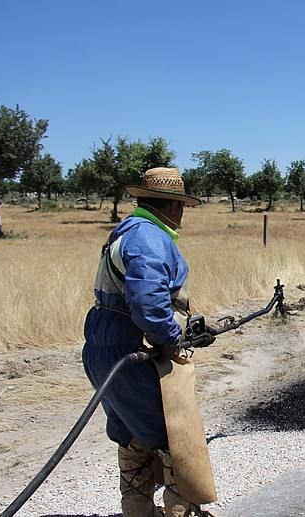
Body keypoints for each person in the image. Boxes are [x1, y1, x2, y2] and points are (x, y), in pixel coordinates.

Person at [82, 167, 209, 517]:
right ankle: (182, 512)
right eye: (180, 205)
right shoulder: (149, 238)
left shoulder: (128, 230)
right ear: (171, 206)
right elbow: (149, 305)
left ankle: (138, 511)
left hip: (103, 343)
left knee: (131, 434)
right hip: (131, 347)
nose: (182, 213)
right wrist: (173, 339)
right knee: (173, 436)